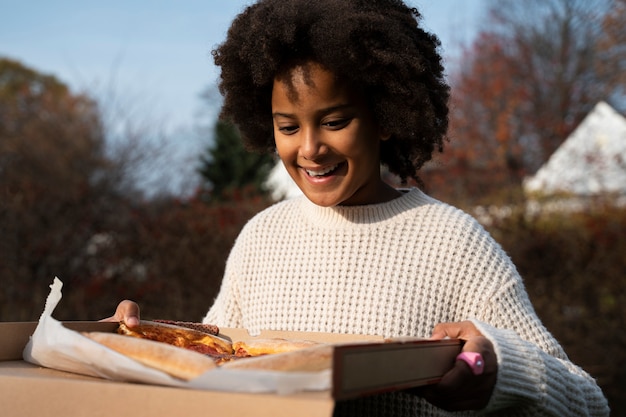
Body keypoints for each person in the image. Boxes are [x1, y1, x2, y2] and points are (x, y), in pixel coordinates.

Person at [106, 0, 609, 415]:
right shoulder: (260, 239)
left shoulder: (453, 243)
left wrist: (502, 371)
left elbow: (589, 401)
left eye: (334, 121)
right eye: (287, 127)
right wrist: (143, 341)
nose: (309, 149)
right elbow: (215, 360)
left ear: (384, 117)